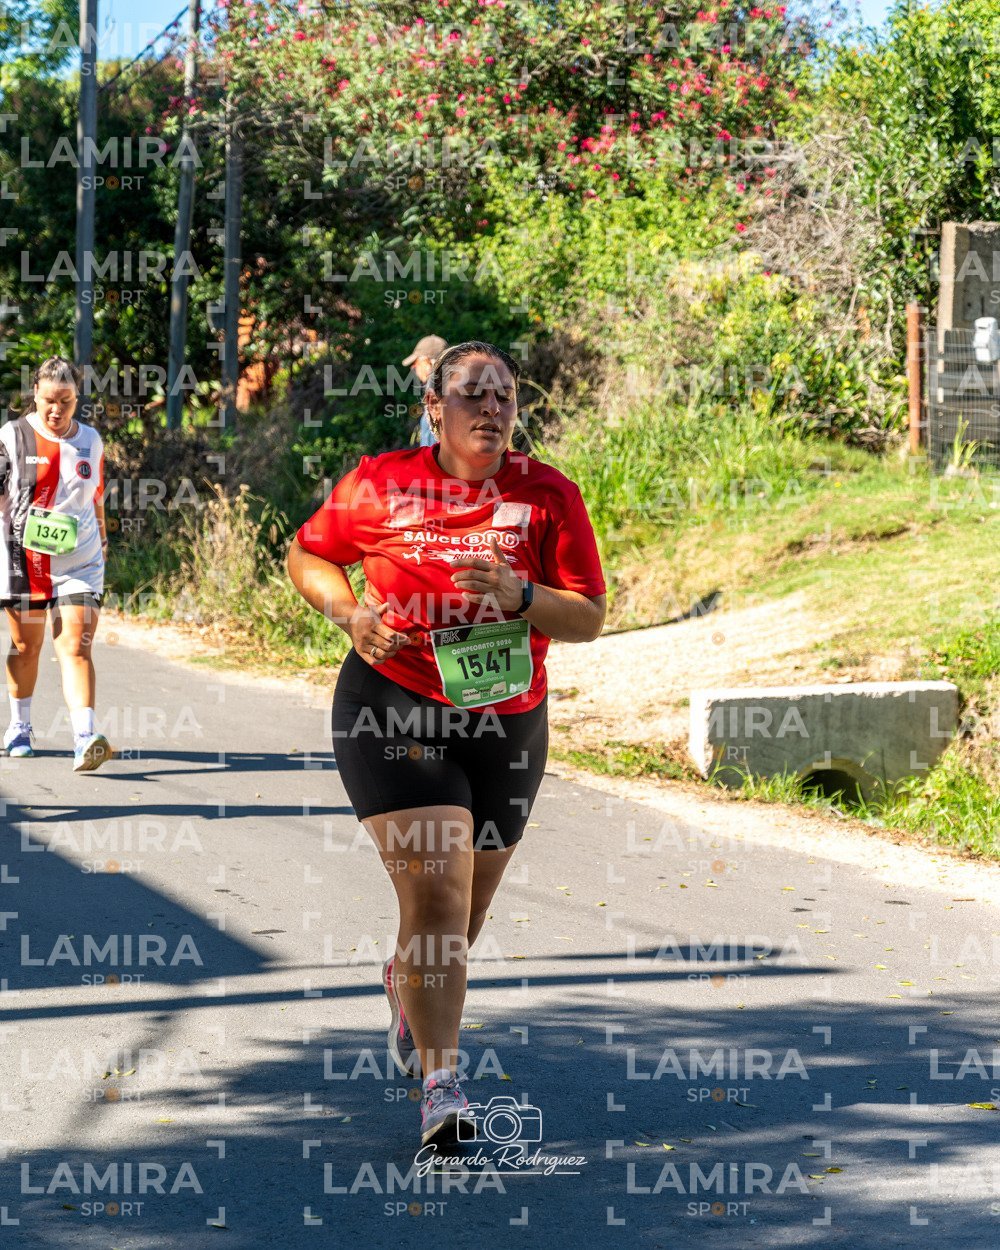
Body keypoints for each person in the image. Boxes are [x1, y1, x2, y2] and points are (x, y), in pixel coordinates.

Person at [288, 340, 606, 1147]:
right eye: (473, 394)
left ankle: (406, 979)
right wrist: (350, 615)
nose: (492, 409)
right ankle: (442, 1086)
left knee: (463, 909)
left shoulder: (549, 496)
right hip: (394, 705)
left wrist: (523, 594)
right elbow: (308, 554)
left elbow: (590, 617)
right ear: (435, 408)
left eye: (505, 395)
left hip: (506, 720)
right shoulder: (382, 482)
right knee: (435, 891)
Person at [0, 356, 114, 772]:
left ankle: (85, 737)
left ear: (76, 398)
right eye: (49, 399)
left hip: (80, 560)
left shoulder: (91, 440)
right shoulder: (11, 437)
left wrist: (101, 538)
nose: (56, 409)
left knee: (76, 645)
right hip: (22, 558)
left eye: (65, 401)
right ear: (35, 394)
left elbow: (96, 495)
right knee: (27, 647)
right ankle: (20, 726)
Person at [402, 334, 448, 447]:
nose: (413, 368)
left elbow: (432, 454)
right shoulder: (452, 395)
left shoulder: (437, 403)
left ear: (429, 363)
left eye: (416, 363)